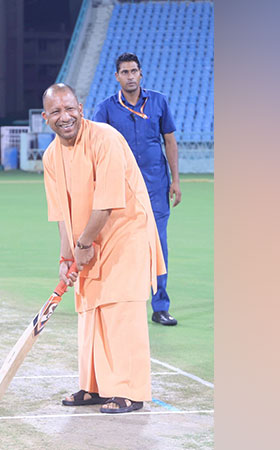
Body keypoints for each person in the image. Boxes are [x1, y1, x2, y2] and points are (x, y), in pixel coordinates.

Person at [41, 83, 165, 413]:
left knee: (120, 308)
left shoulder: (105, 138)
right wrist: (67, 256)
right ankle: (94, 387)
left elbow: (107, 202)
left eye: (69, 109)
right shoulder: (51, 156)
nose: (64, 117)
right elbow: (62, 215)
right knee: (90, 308)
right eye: (56, 112)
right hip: (89, 240)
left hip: (126, 232)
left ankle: (130, 391)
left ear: (80, 108)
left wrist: (83, 245)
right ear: (45, 118)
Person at [92, 52, 181, 326]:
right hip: (122, 191)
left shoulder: (159, 102)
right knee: (118, 247)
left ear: (141, 74)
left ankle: (160, 307)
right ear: (117, 77)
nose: (130, 76)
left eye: (134, 71)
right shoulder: (106, 109)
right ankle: (119, 305)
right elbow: (96, 148)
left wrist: (175, 180)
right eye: (125, 72)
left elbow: (170, 142)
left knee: (158, 248)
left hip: (156, 188)